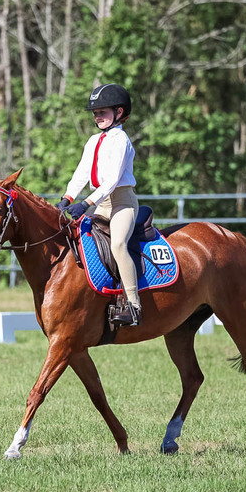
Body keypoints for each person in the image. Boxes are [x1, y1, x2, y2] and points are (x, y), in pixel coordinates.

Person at [56, 83, 142, 326]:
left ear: (120, 112)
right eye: (95, 112)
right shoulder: (94, 140)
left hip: (122, 202)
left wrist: (86, 203)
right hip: (100, 204)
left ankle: (134, 306)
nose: (97, 116)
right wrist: (68, 198)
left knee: (117, 245)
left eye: (103, 111)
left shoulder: (121, 140)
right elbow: (82, 172)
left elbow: (113, 180)